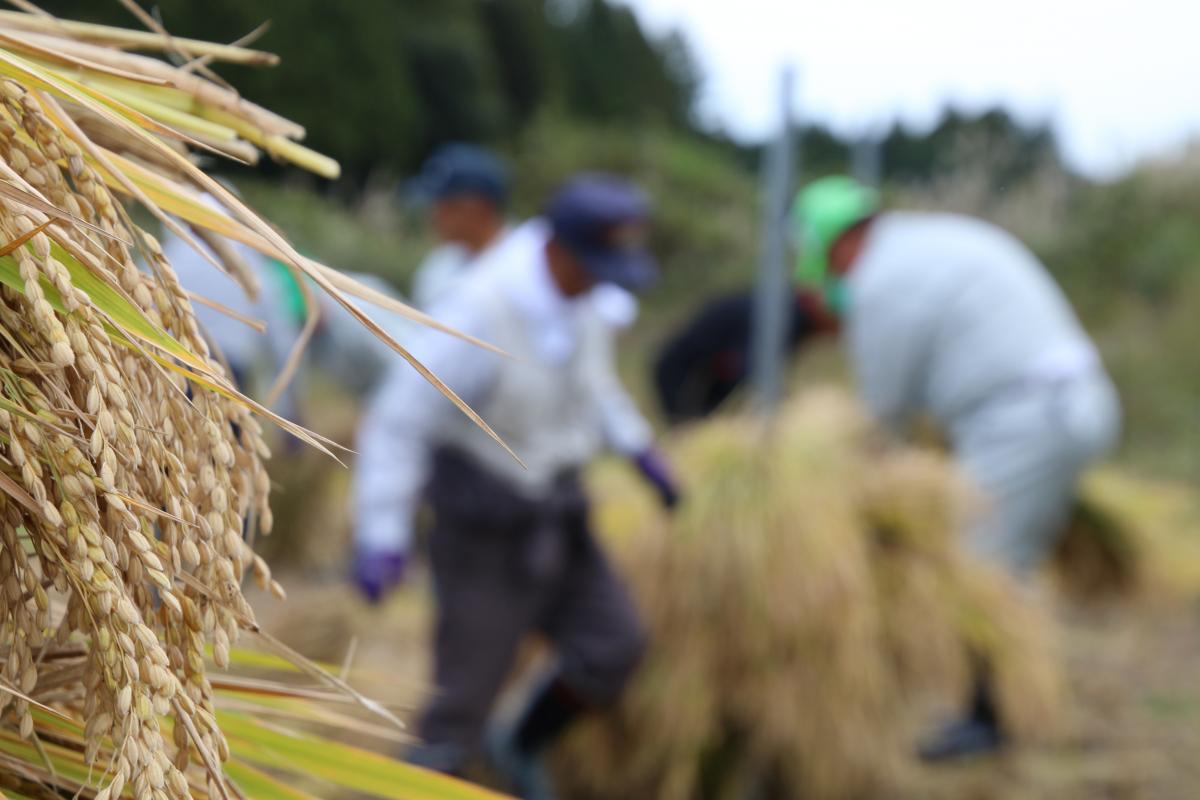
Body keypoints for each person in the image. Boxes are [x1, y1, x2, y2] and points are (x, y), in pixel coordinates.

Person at [353, 174, 679, 798]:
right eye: (594, 267)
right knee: (457, 711)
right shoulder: (481, 310)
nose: (600, 282)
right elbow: (400, 419)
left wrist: (640, 449)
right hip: (485, 529)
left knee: (612, 644)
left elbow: (595, 385)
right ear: (558, 250)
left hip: (559, 514)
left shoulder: (581, 301)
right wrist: (381, 532)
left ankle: (520, 744)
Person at [791, 175, 1121, 760]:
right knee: (1004, 567)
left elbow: (883, 418)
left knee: (976, 566)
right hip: (1067, 402)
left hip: (1028, 418)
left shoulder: (882, 284)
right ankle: (1012, 704)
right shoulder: (924, 243)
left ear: (836, 243)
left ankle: (991, 719)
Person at [653, 287, 828, 423]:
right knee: (687, 429)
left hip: (711, 367)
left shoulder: (790, 312)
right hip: (680, 369)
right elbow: (749, 371)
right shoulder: (785, 316)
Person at [408, 144, 511, 310]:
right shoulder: (438, 265)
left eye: (446, 205)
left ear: (477, 207)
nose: (433, 215)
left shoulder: (522, 265)